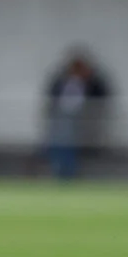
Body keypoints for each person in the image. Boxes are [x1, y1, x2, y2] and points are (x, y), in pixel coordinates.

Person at [43, 47, 112, 179]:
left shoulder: (93, 82)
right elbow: (52, 98)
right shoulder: (61, 81)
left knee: (70, 146)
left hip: (81, 122)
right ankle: (59, 172)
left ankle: (69, 174)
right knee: (59, 145)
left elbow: (101, 97)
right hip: (62, 121)